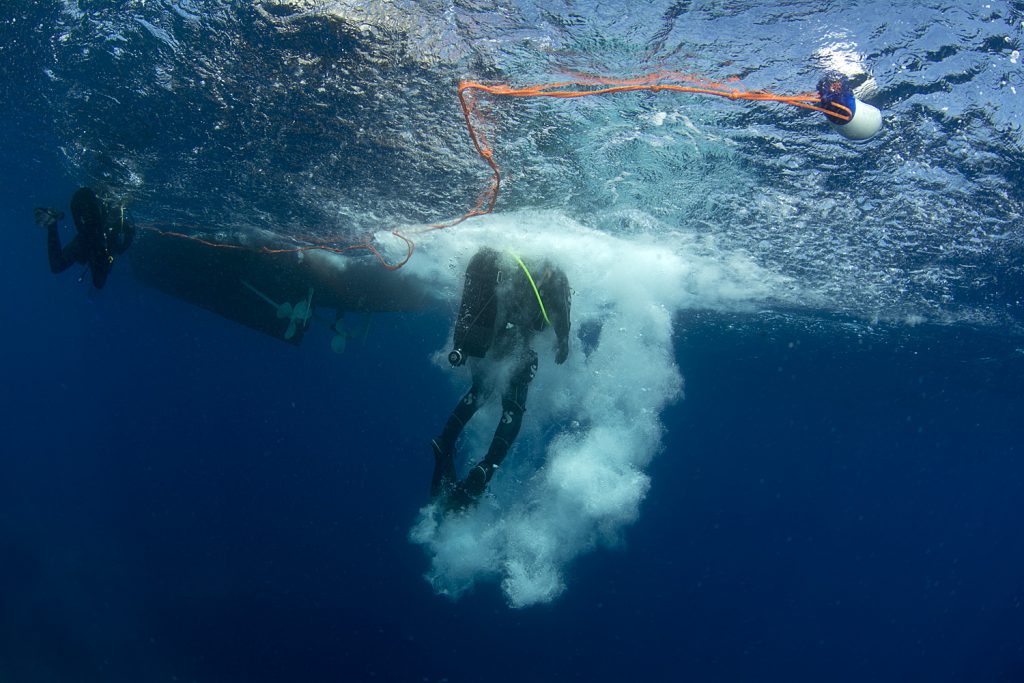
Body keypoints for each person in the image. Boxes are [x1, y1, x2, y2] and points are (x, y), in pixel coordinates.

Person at [431, 247, 571, 511]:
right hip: (516, 343)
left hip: (486, 336)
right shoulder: (554, 271)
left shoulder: (507, 260)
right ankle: (486, 467)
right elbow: (562, 313)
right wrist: (563, 342)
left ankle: (445, 441)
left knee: (480, 389)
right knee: (513, 408)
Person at [33, 187, 135, 290]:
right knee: (57, 266)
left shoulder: (123, 225)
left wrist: (122, 242)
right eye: (112, 208)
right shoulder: (99, 213)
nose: (113, 212)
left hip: (92, 248)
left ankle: (52, 222)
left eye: (117, 211)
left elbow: (123, 246)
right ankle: (52, 222)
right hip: (87, 243)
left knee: (98, 283)